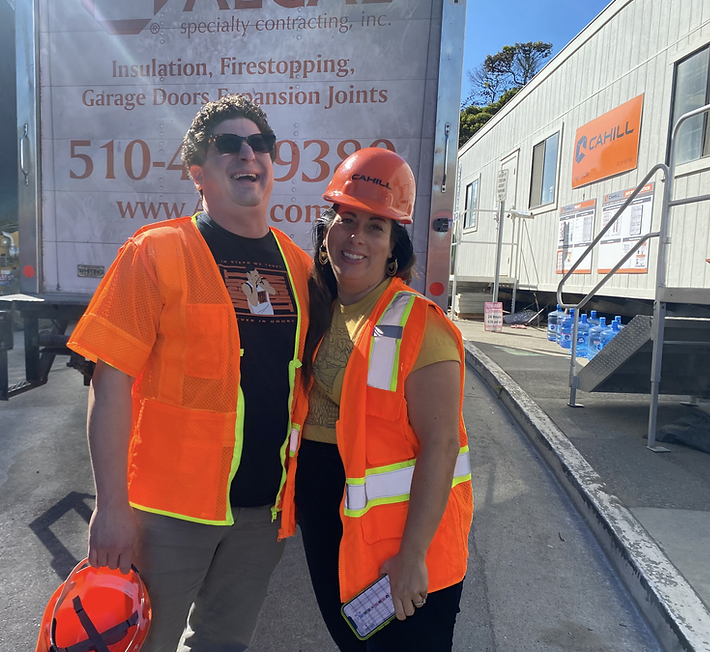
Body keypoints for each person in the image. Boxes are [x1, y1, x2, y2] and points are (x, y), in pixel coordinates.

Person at [66, 94, 312, 652]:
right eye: (229, 144)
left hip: (261, 516)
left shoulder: (298, 267)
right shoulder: (155, 253)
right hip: (164, 517)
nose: (248, 153)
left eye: (260, 144)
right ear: (197, 172)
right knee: (142, 644)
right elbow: (109, 386)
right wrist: (111, 506)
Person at [277, 147, 473, 651]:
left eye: (375, 226)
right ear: (326, 232)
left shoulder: (420, 323)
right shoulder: (321, 309)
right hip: (328, 511)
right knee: (352, 640)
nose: (356, 237)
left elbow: (442, 446)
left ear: (393, 249)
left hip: (401, 536)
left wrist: (412, 555)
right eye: (346, 220)